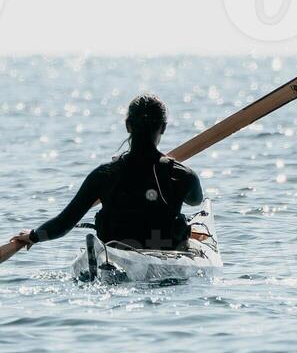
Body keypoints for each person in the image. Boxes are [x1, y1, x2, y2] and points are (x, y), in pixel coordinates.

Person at [11, 94, 204, 253]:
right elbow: (195, 201)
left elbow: (63, 224)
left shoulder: (103, 175)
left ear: (128, 125)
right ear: (163, 128)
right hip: (166, 252)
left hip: (115, 254)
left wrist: (33, 235)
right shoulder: (182, 175)